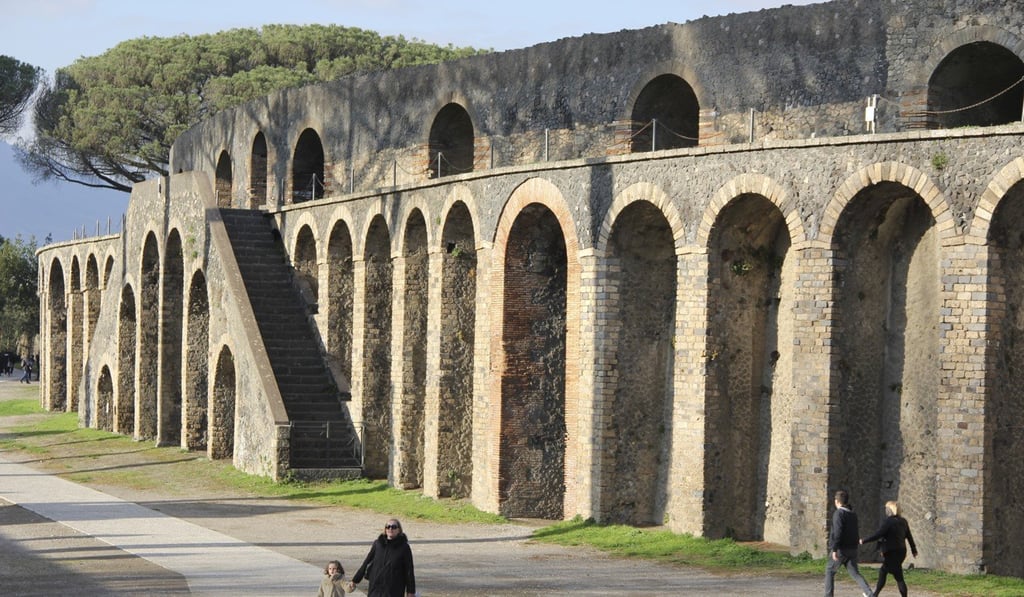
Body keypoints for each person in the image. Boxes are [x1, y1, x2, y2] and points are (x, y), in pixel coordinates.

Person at [861, 501, 918, 597]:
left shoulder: (888, 522)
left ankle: (875, 595)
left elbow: (878, 534)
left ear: (889, 510)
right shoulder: (903, 521)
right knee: (897, 574)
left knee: (886, 572)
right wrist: (914, 550)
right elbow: (909, 536)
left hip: (891, 552)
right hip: (901, 552)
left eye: (886, 509)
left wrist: (864, 540)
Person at [348, 518, 416, 597]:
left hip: (394, 589)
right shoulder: (378, 544)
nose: (390, 529)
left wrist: (411, 591)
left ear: (399, 530)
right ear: (385, 529)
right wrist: (355, 580)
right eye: (388, 527)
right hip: (376, 586)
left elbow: (409, 570)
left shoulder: (404, 547)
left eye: (394, 527)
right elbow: (366, 562)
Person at [825, 489, 874, 597]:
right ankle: (869, 593)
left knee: (830, 571)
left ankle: (828, 595)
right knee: (855, 573)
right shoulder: (853, 514)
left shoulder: (839, 514)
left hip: (841, 549)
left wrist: (834, 549)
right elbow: (855, 531)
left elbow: (837, 532)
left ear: (837, 501)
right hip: (852, 549)